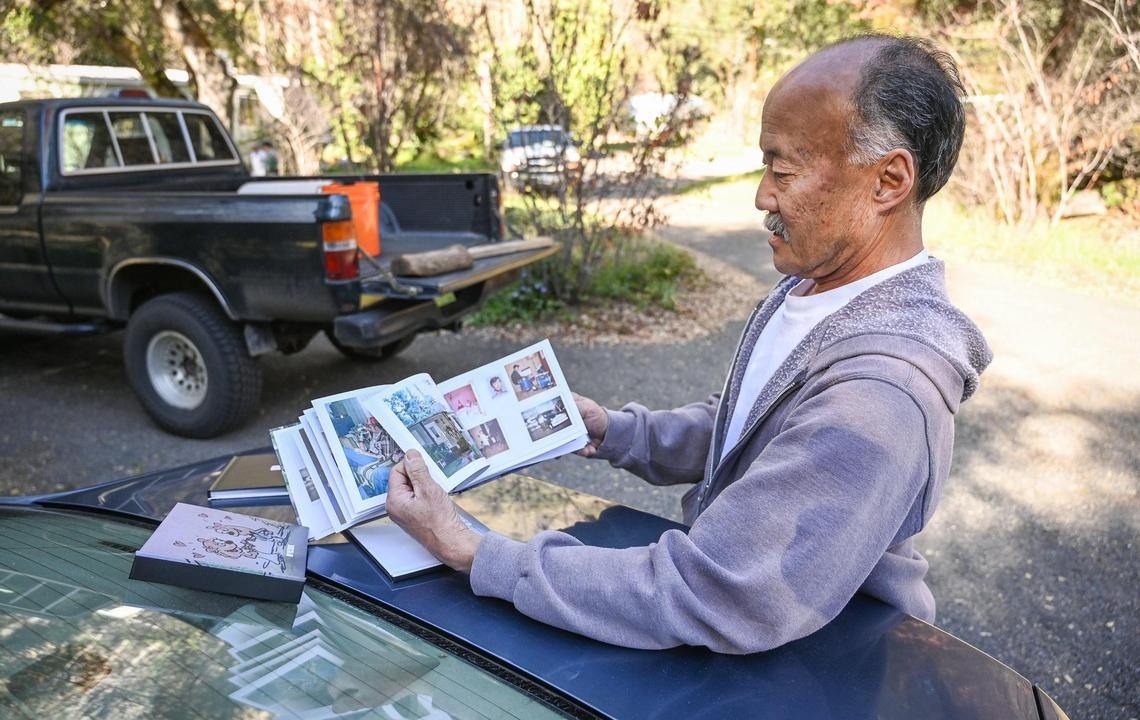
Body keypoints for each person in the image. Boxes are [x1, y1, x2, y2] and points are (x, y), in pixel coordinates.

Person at [386, 34, 993, 654]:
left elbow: (712, 591)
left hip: (814, 668)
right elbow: (750, 431)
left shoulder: (882, 394)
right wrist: (616, 431)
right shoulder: (814, 287)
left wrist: (471, 550)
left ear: (889, 180)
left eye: (783, 171)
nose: (762, 196)